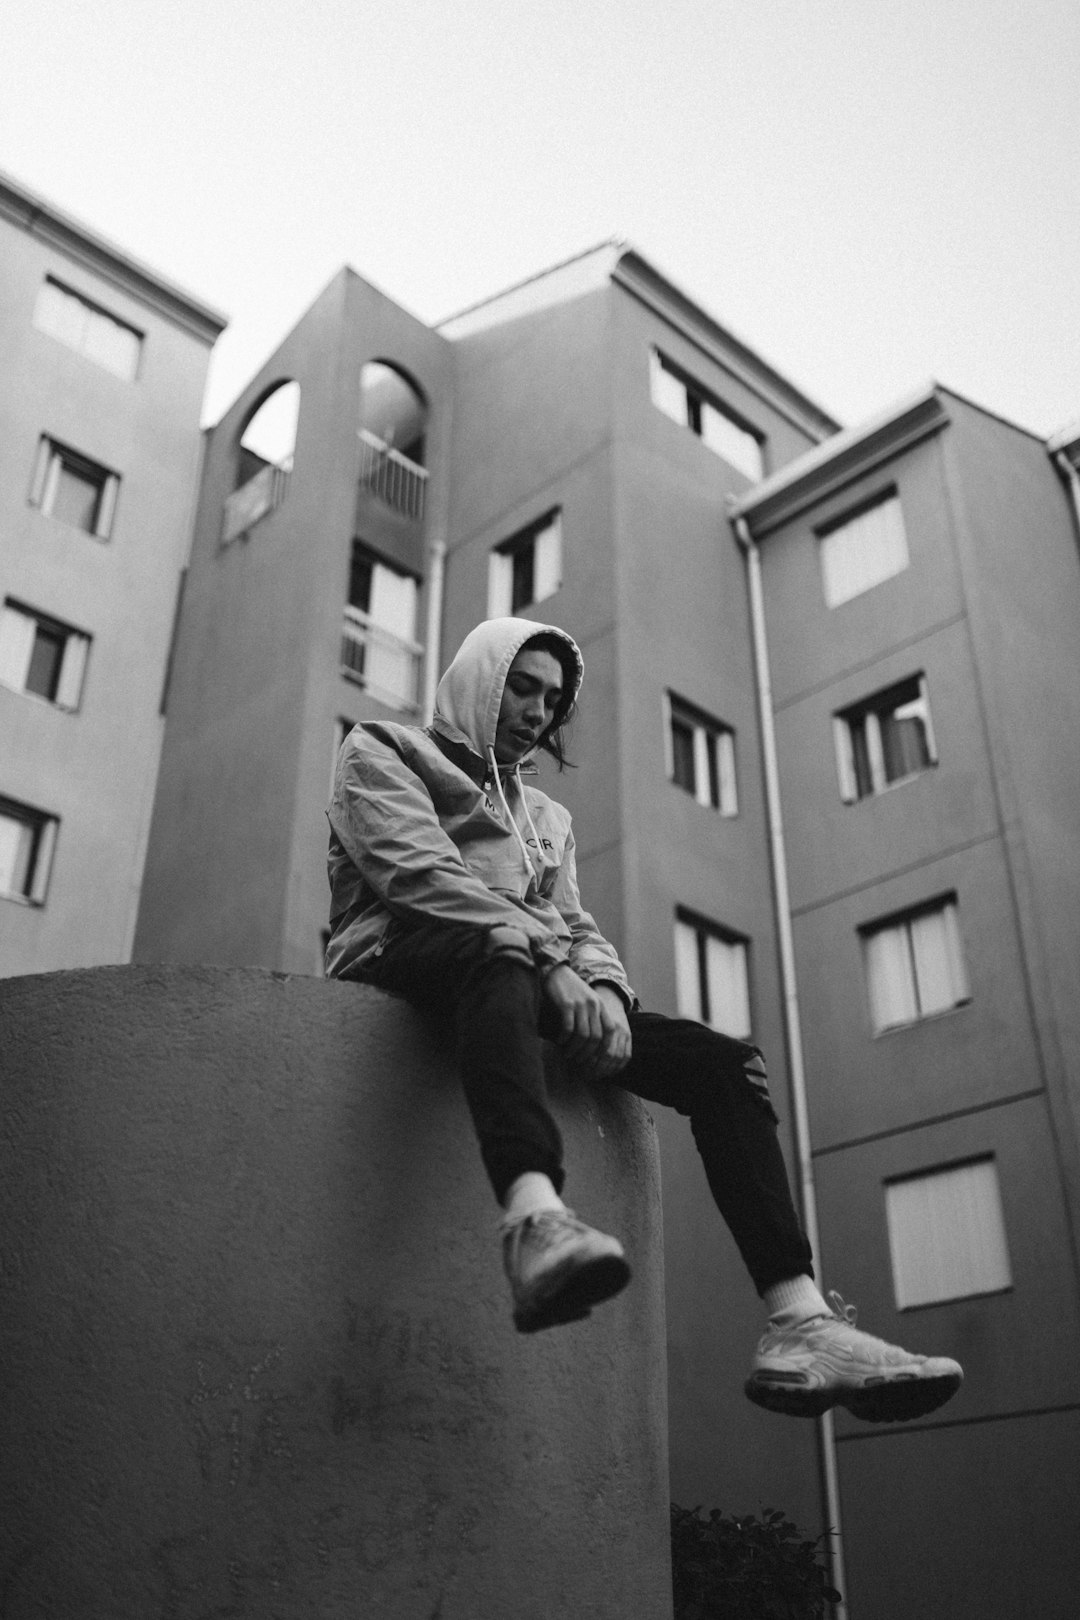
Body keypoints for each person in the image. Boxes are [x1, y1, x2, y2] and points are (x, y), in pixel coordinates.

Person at [326, 616, 963, 1423]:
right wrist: (551, 966)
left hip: (521, 980)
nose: (536, 710)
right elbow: (420, 878)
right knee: (497, 948)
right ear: (479, 677)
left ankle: (801, 1321)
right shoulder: (381, 751)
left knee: (720, 1062)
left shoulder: (545, 818)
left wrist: (608, 997)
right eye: (522, 686)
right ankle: (533, 1220)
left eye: (552, 700)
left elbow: (576, 923)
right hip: (402, 958)